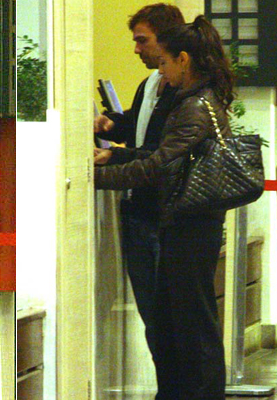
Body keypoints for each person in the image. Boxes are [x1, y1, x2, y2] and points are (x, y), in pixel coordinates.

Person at [95, 15, 234, 400]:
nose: (161, 72)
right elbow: (162, 158)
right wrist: (115, 158)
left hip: (192, 226)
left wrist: (98, 177)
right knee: (174, 321)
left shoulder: (194, 106)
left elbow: (159, 165)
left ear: (183, 60)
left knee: (192, 324)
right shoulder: (194, 100)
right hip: (186, 222)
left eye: (164, 63)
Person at [94, 3, 184, 362]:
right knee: (153, 316)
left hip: (164, 215)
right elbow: (139, 124)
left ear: (166, 41)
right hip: (140, 212)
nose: (136, 49)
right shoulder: (149, 85)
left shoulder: (182, 93)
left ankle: (177, 384)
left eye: (142, 40)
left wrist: (113, 158)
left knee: (169, 317)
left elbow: (160, 153)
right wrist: (112, 125)